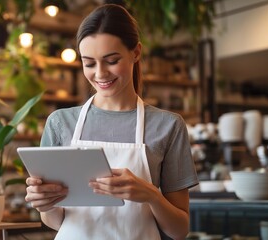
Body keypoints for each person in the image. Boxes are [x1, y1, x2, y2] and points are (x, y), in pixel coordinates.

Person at [24, 4, 198, 240]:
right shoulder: (60, 123)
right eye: (89, 63)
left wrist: (151, 196)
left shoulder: (167, 126)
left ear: (135, 53)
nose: (100, 73)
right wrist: (46, 205)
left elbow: (179, 230)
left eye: (112, 60)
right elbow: (55, 222)